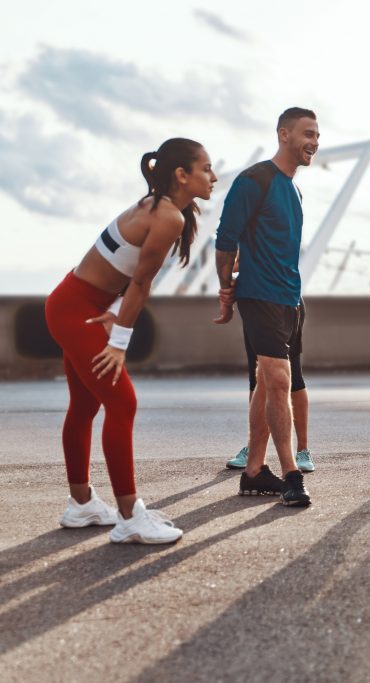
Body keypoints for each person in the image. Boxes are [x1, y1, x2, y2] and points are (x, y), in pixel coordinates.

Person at [45, 138, 217, 543]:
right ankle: (128, 518)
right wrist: (119, 342)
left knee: (86, 404)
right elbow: (140, 282)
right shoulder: (167, 215)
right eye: (206, 168)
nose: (213, 176)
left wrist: (113, 309)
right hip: (75, 309)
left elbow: (125, 275)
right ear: (182, 175)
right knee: (122, 402)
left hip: (74, 302)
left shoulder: (159, 209)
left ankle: (82, 504)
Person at [214, 107, 318, 506]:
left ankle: (254, 472)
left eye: (317, 136)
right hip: (259, 296)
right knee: (278, 380)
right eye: (307, 134)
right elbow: (225, 241)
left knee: (264, 384)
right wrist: (227, 292)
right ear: (284, 134)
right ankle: (292, 474)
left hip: (290, 298)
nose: (314, 143)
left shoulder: (294, 189)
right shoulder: (253, 180)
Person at [224, 297, 314, 474]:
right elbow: (235, 268)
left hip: (285, 299)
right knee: (256, 377)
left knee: (293, 376)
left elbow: (234, 267)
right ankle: (253, 449)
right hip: (255, 305)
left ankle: (302, 450)